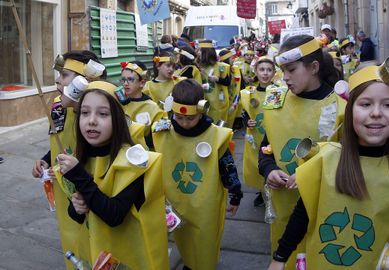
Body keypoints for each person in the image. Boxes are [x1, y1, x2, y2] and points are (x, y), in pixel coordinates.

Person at [268, 59, 389, 270]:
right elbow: (301, 215)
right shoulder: (325, 160)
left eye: (387, 105)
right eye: (365, 104)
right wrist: (279, 258)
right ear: (350, 113)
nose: (376, 113)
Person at [56, 83, 169, 268]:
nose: (91, 120)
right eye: (84, 113)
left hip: (128, 254)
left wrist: (79, 175)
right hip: (95, 250)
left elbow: (114, 215)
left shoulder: (134, 162)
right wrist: (77, 207)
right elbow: (75, 212)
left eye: (103, 114)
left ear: (117, 119)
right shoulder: (80, 159)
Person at [259, 35, 345, 270]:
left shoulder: (340, 106)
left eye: (291, 70)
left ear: (314, 67)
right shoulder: (276, 99)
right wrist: (269, 169)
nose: (284, 77)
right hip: (283, 205)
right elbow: (266, 148)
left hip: (325, 211)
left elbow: (349, 162)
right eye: (282, 70)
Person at [151, 79, 243, 270]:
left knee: (206, 241)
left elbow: (228, 166)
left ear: (202, 110)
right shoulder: (162, 132)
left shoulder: (215, 135)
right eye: (179, 117)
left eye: (190, 118)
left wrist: (235, 193)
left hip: (206, 205)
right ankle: (190, 263)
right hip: (176, 202)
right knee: (184, 239)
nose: (184, 122)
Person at [31, 51, 105, 261]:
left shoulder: (98, 116)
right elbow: (58, 140)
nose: (57, 80)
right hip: (64, 194)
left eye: (63, 75)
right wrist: (46, 159)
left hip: (88, 196)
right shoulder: (56, 104)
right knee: (71, 246)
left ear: (83, 82)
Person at [240, 56, 276, 207]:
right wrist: (247, 122)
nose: (265, 73)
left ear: (274, 73)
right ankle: (262, 192)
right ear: (256, 71)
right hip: (255, 137)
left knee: (271, 162)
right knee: (257, 164)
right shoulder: (249, 94)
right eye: (262, 70)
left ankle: (272, 192)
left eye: (269, 70)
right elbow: (245, 113)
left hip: (273, 136)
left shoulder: (278, 92)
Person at [120, 61, 166, 125]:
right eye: (123, 79)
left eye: (130, 79)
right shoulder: (119, 103)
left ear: (142, 83)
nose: (125, 83)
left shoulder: (153, 108)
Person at [196, 40, 231, 124]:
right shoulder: (196, 66)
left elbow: (228, 82)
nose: (197, 52)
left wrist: (217, 79)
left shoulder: (222, 67)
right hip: (202, 102)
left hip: (218, 104)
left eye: (199, 50)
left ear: (206, 53)